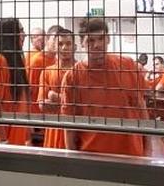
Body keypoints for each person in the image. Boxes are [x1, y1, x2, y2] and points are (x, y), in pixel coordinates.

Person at [61, 18, 150, 156]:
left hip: (132, 154)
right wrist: (72, 158)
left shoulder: (127, 66)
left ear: (108, 39)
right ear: (82, 44)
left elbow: (141, 108)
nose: (97, 45)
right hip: (92, 156)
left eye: (101, 38)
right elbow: (69, 125)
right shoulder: (73, 77)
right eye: (90, 40)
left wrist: (148, 150)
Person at [0, 18, 32, 145]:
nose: (24, 34)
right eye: (20, 30)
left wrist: (26, 138)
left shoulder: (17, 62)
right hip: (1, 141)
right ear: (10, 34)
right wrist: (3, 140)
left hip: (15, 141)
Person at [36, 27, 75, 149]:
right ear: (54, 46)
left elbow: (84, 105)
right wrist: (68, 102)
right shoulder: (47, 72)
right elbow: (42, 105)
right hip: (53, 134)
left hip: (77, 134)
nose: (64, 47)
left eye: (68, 44)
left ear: (75, 46)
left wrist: (54, 96)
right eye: (60, 44)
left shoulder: (81, 71)